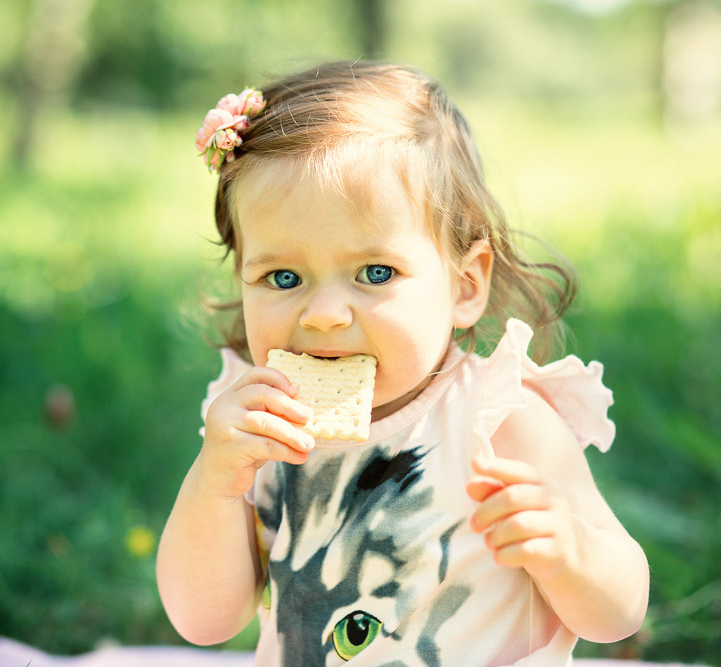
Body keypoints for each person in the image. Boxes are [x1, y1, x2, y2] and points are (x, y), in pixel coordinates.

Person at [157, 60, 649, 666]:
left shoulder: (499, 420)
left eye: (375, 273)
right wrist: (214, 483)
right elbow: (204, 622)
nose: (326, 314)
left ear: (465, 285)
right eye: (283, 277)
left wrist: (570, 552)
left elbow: (619, 614)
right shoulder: (261, 427)